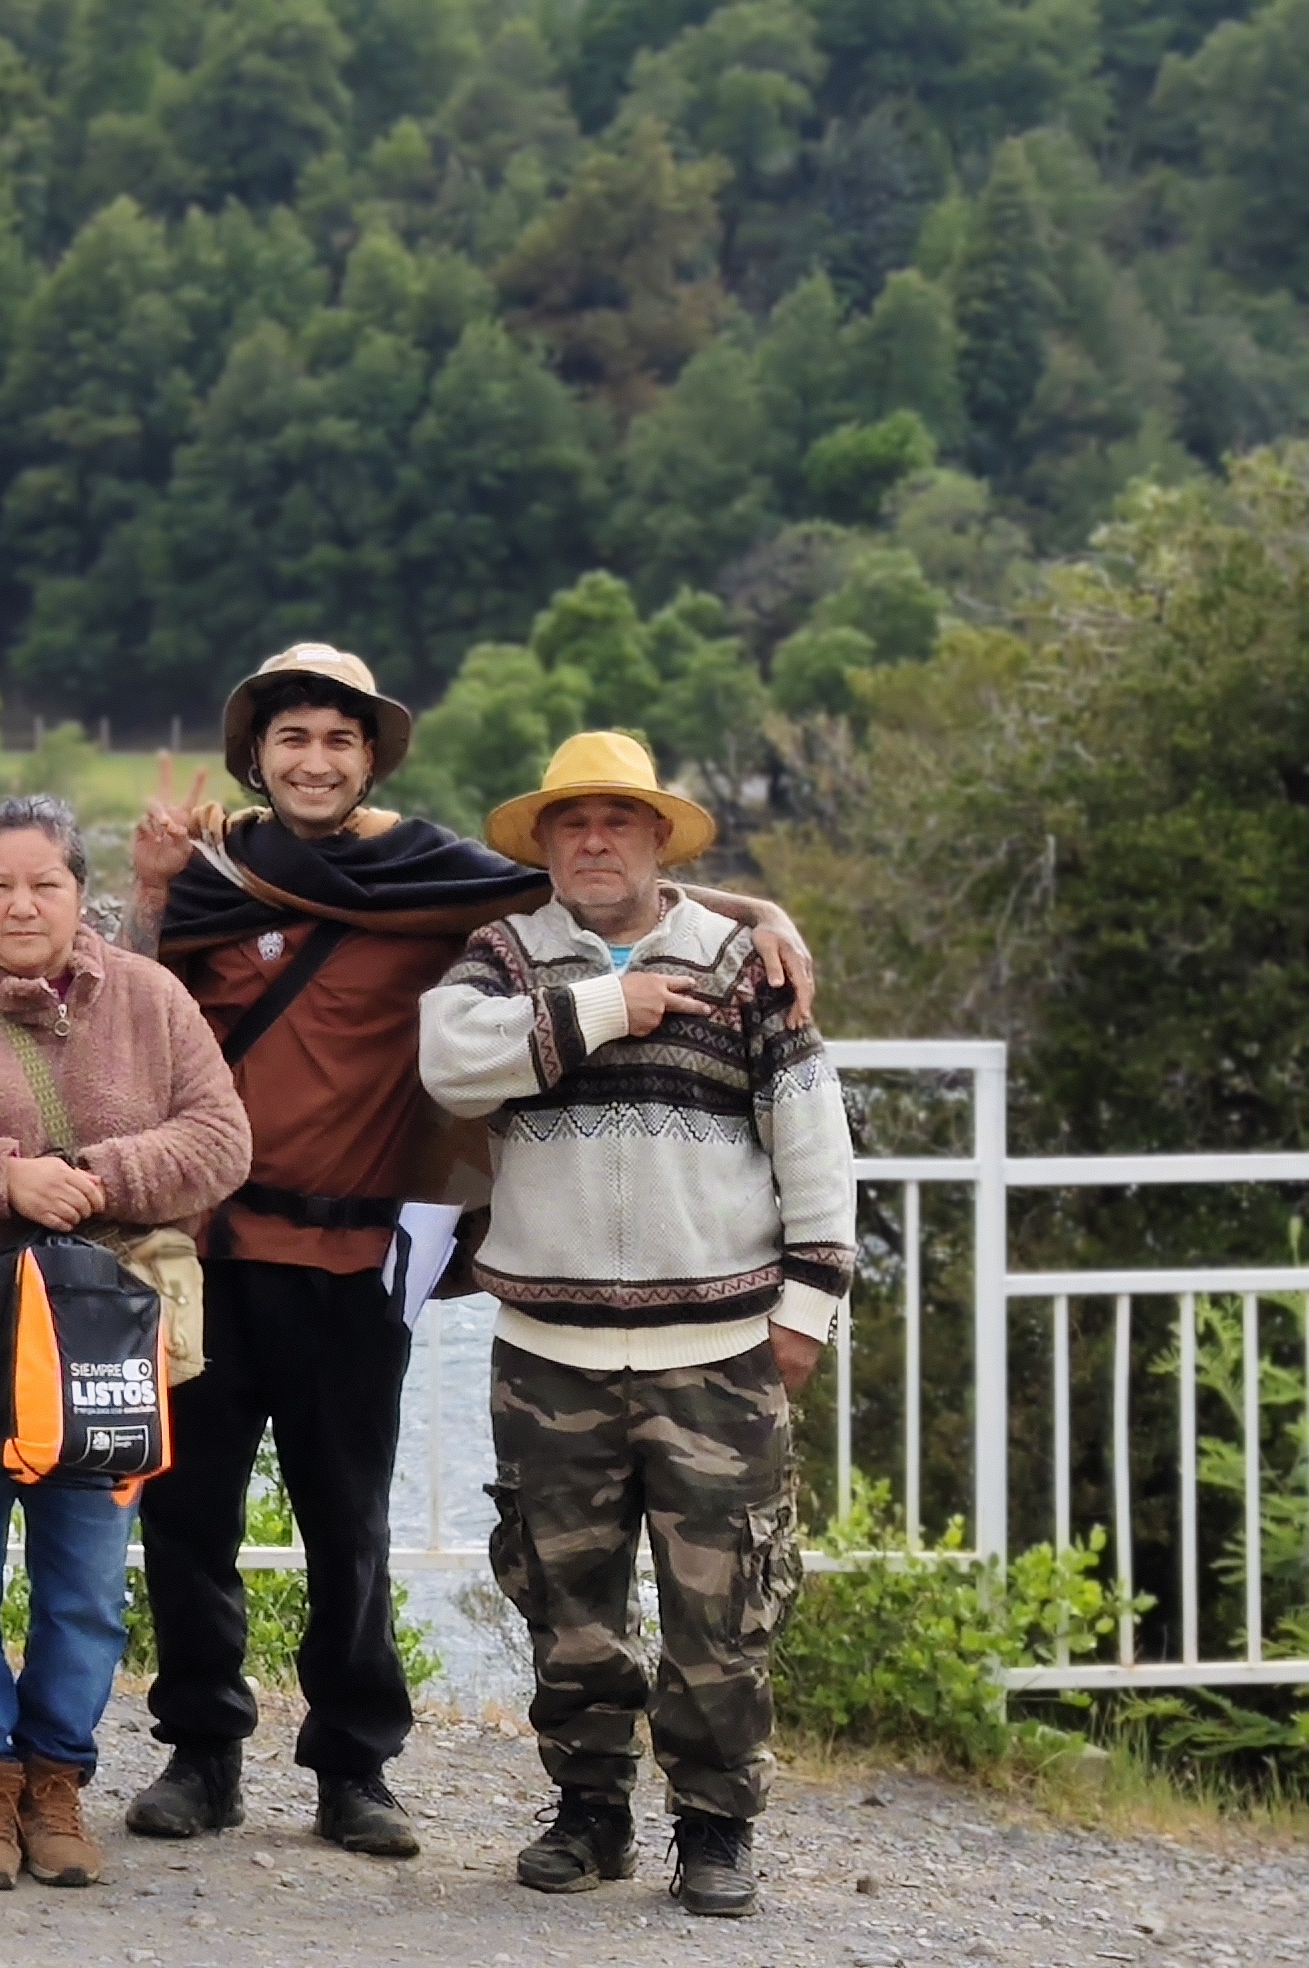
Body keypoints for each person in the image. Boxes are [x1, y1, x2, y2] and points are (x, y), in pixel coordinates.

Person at [112, 645, 818, 1858]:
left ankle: (352, 1768)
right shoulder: (211, 877)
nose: (315, 761)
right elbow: (120, 1005)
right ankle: (202, 1752)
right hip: (209, 1251)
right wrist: (148, 889)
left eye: (339, 739)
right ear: (256, 758)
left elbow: (597, 894)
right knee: (187, 1519)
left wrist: (758, 911)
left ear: (372, 754)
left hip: (354, 1258)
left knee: (349, 1527)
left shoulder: (430, 880)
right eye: (292, 740)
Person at [421, 732, 851, 1921]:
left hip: (717, 1351)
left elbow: (814, 1146)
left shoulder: (743, 963)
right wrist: (606, 1004)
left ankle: (716, 1831)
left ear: (660, 839)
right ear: (545, 844)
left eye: (618, 820)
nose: (595, 840)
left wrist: (806, 1311)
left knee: (723, 1614)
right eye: (572, 823)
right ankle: (590, 1813)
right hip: (547, 1350)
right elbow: (447, 1064)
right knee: (565, 1607)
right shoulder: (502, 959)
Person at [0, 797, 249, 1891]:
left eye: (45, 884)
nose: (21, 904)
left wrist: (97, 1181)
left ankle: (57, 1773)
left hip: (99, 1346)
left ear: (81, 893)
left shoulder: (150, 1001)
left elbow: (219, 1139)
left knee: (85, 1584)